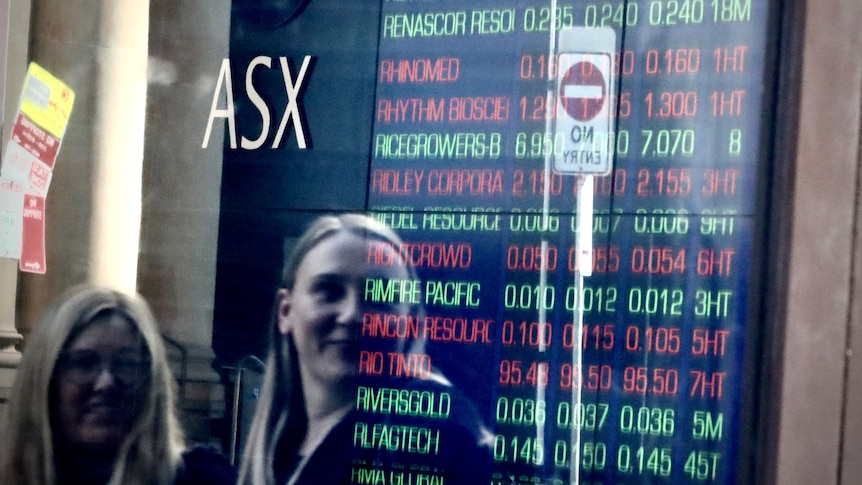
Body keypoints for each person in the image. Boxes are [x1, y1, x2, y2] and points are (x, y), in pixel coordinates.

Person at [237, 213, 494, 485]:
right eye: (329, 290)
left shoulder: (432, 420)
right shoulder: (278, 450)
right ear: (285, 311)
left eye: (379, 296)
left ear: (411, 323)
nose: (352, 315)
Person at [0, 284, 237, 485]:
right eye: (84, 364)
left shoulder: (201, 478)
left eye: (127, 365)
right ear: (46, 380)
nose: (106, 383)